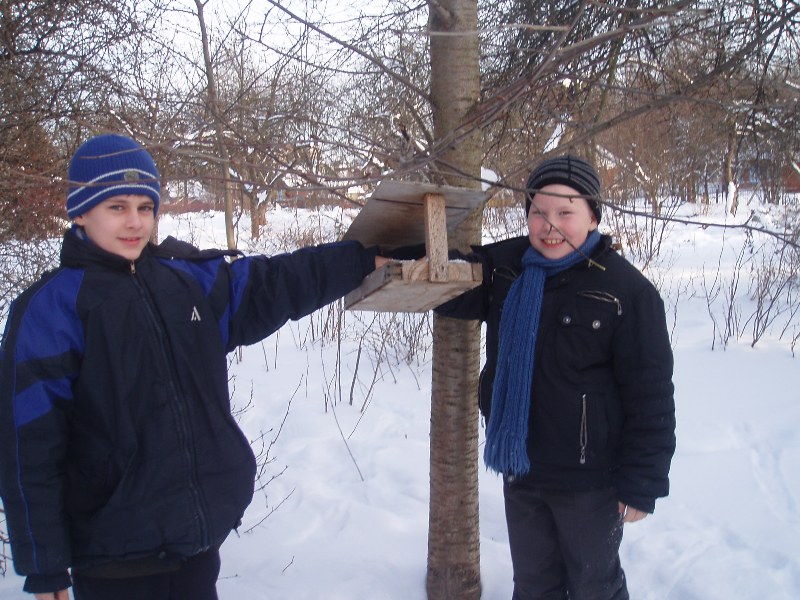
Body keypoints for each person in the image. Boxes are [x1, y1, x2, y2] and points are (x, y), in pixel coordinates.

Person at [0, 133, 388, 600]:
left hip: (197, 544)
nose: (135, 223)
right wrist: (44, 568)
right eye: (116, 207)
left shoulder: (185, 282)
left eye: (146, 207)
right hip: (112, 559)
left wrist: (363, 260)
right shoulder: (50, 311)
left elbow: (275, 283)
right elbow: (28, 449)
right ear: (80, 212)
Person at [435, 155, 676, 599]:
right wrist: (397, 255)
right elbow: (445, 285)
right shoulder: (506, 268)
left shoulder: (628, 293)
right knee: (533, 584)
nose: (550, 226)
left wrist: (642, 483)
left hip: (590, 480)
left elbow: (651, 396)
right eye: (538, 212)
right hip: (522, 468)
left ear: (593, 215)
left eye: (566, 212)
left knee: (594, 585)